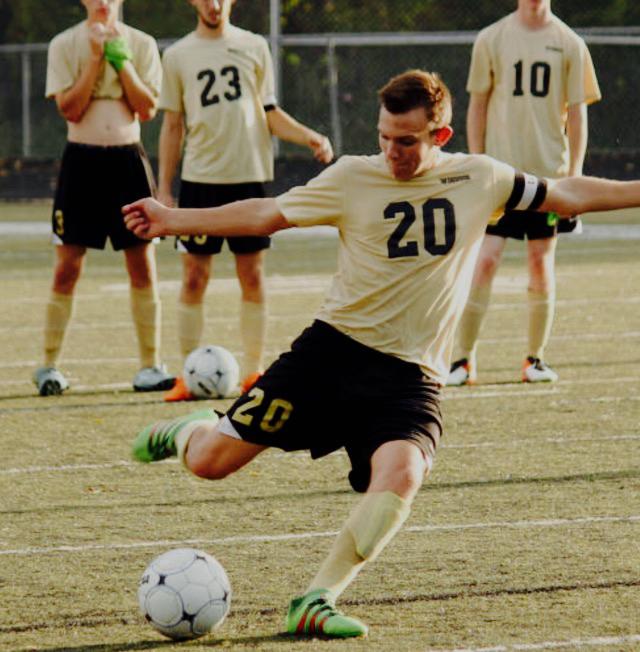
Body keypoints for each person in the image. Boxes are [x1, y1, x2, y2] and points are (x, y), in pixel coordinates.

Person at [122, 69, 640, 637]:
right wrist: (173, 219)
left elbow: (567, 194)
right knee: (208, 464)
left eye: (407, 141)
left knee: (403, 475)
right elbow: (266, 213)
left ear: (439, 137)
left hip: (412, 378)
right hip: (331, 355)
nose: (392, 151)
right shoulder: (352, 177)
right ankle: (189, 431)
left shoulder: (481, 176)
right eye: (385, 137)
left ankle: (316, 599)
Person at [158, 0, 333, 402]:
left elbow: (269, 112)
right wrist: (165, 188)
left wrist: (308, 135)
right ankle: (188, 374)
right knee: (193, 277)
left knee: (252, 276)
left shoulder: (254, 46)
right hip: (200, 180)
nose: (214, 4)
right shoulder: (179, 54)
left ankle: (254, 373)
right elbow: (172, 124)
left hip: (249, 178)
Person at [447, 0, 601, 386]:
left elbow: (579, 113)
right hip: (501, 176)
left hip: (549, 176)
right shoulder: (491, 38)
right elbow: (477, 104)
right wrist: (477, 162)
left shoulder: (570, 42)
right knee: (484, 260)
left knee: (539, 261)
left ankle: (535, 359)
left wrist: (574, 175)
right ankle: (462, 361)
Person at [35, 0, 174, 396]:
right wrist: (95, 59)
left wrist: (120, 61)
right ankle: (48, 366)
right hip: (81, 162)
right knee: (67, 266)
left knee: (142, 264)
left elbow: (147, 109)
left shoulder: (142, 43)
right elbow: (70, 110)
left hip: (128, 161)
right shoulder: (64, 44)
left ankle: (150, 365)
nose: (102, 2)